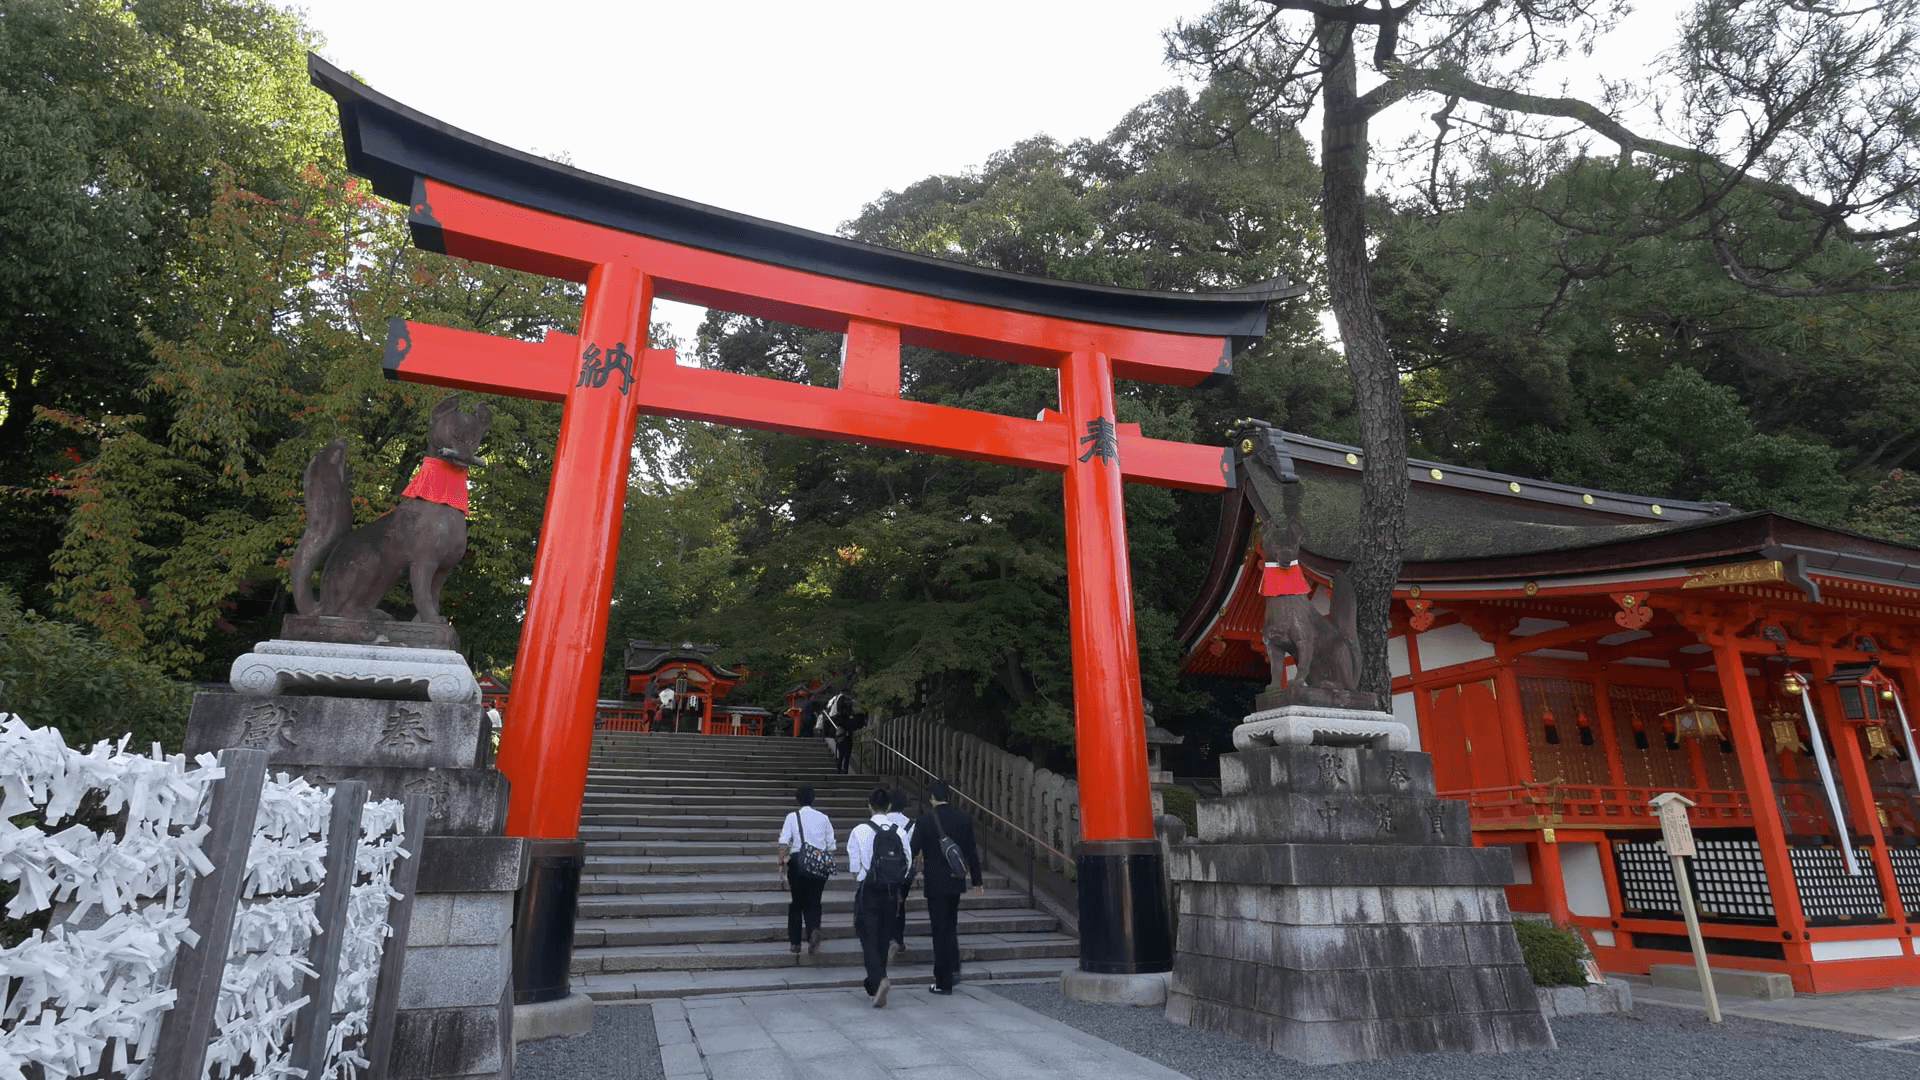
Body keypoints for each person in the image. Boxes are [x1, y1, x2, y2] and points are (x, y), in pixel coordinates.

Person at [911, 780, 982, 995]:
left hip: (935, 883)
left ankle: (943, 981)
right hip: (955, 881)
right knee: (951, 927)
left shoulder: (924, 821)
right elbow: (971, 852)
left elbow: (913, 848)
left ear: (932, 798)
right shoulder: (963, 820)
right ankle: (953, 969)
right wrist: (977, 881)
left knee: (939, 931)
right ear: (948, 797)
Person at [847, 786, 913, 1007]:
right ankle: (875, 982)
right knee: (884, 938)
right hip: (892, 892)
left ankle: (879, 980)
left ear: (869, 805)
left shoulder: (859, 830)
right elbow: (908, 863)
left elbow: (855, 868)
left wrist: (865, 874)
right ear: (889, 807)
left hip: (869, 890)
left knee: (868, 937)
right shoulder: (900, 831)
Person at [777, 786, 836, 955]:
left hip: (798, 863)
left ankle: (795, 943)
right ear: (813, 799)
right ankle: (813, 932)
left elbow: (784, 842)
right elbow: (831, 845)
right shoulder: (824, 818)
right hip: (819, 864)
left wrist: (781, 862)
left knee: (797, 903)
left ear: (797, 800)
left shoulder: (792, 817)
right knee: (814, 902)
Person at [885, 789, 913, 957]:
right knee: (900, 905)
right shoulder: (911, 824)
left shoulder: (880, 822)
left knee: (885, 903)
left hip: (884, 871)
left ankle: (886, 937)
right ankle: (899, 939)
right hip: (903, 872)